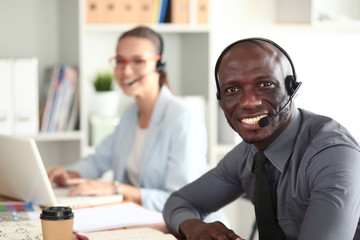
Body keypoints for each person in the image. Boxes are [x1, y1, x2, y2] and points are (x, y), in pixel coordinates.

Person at [163, 37, 360, 240]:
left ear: (292, 90)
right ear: (221, 102)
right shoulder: (250, 153)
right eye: (232, 89)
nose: (249, 102)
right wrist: (193, 227)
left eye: (265, 84)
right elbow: (179, 202)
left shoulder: (333, 156)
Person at [47, 26, 209, 212]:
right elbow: (99, 160)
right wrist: (69, 174)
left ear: (159, 65)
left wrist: (115, 189)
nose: (126, 71)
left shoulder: (182, 119)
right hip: (138, 217)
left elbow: (182, 201)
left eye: (138, 61)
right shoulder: (130, 114)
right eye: (120, 61)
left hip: (183, 228)